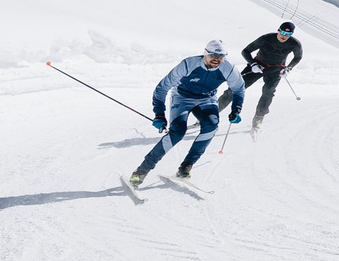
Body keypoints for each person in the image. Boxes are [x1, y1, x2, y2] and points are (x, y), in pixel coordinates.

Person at [130, 39, 245, 185]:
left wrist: (236, 109)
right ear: (205, 53)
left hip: (207, 99)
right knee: (177, 132)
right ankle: (141, 171)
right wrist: (159, 114)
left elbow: (238, 89)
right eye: (213, 55)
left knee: (211, 126)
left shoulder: (228, 68)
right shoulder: (188, 64)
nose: (217, 59)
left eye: (221, 56)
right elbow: (162, 88)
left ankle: (186, 166)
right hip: (182, 97)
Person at [238, 21, 303, 129]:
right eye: (282, 32)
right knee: (237, 87)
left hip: (276, 69)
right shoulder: (266, 38)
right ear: (278, 30)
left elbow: (298, 57)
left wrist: (288, 68)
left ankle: (259, 118)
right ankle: (210, 114)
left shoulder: (295, 44)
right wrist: (253, 64)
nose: (284, 36)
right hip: (258, 66)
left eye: (288, 34)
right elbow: (245, 51)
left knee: (268, 91)